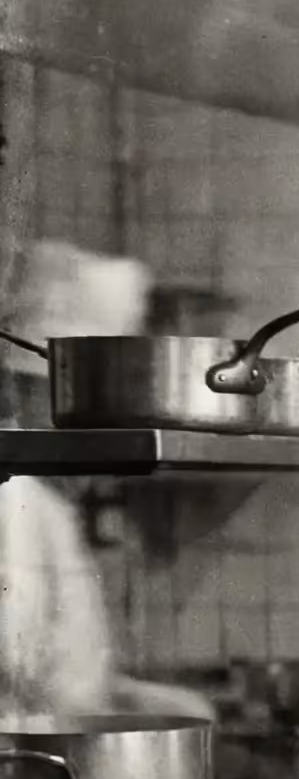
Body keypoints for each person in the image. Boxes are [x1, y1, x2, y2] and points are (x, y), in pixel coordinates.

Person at [0, 243, 211, 717]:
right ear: (45, 391)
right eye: (103, 409)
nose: (116, 428)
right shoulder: (10, 498)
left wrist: (132, 697)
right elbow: (19, 683)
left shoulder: (50, 498)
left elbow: (59, 672)